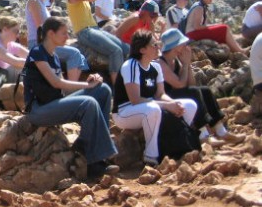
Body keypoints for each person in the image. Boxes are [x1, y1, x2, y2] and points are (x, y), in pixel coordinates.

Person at [23, 17, 119, 179]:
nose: (67, 36)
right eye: (64, 33)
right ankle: (95, 163)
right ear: (51, 34)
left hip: (53, 104)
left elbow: (62, 88)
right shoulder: (37, 53)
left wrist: (90, 84)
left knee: (102, 90)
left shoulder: (53, 56)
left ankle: (86, 142)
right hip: (37, 110)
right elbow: (56, 82)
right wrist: (86, 86)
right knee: (88, 102)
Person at [112, 30, 197, 166]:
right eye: (154, 44)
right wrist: (166, 106)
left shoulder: (156, 67)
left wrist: (174, 104)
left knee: (189, 105)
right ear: (142, 49)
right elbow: (135, 99)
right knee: (153, 109)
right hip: (124, 113)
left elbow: (160, 94)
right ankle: (151, 156)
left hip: (148, 108)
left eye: (157, 43)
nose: (158, 47)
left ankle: (175, 144)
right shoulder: (131, 65)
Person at [158, 29, 245, 144]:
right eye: (182, 44)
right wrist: (184, 65)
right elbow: (179, 85)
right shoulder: (161, 63)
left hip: (178, 93)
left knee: (204, 90)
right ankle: (203, 134)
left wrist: (187, 65)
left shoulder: (176, 61)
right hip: (166, 99)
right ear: (175, 46)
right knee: (193, 93)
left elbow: (191, 84)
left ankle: (221, 131)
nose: (185, 46)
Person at [63, 0, 128, 85]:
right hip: (85, 32)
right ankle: (117, 89)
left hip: (94, 29)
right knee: (116, 51)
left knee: (126, 48)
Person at [26, 0, 89, 81]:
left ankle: (75, 85)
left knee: (82, 56)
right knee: (74, 54)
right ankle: (71, 89)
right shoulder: (34, 2)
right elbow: (41, 27)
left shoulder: (41, 3)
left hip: (46, 42)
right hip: (38, 43)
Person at [183, 0, 247, 53]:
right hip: (192, 34)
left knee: (222, 27)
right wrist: (214, 25)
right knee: (224, 28)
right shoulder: (199, 8)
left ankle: (236, 50)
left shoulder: (199, 6)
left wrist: (214, 25)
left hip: (192, 33)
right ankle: (240, 51)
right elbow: (197, 27)